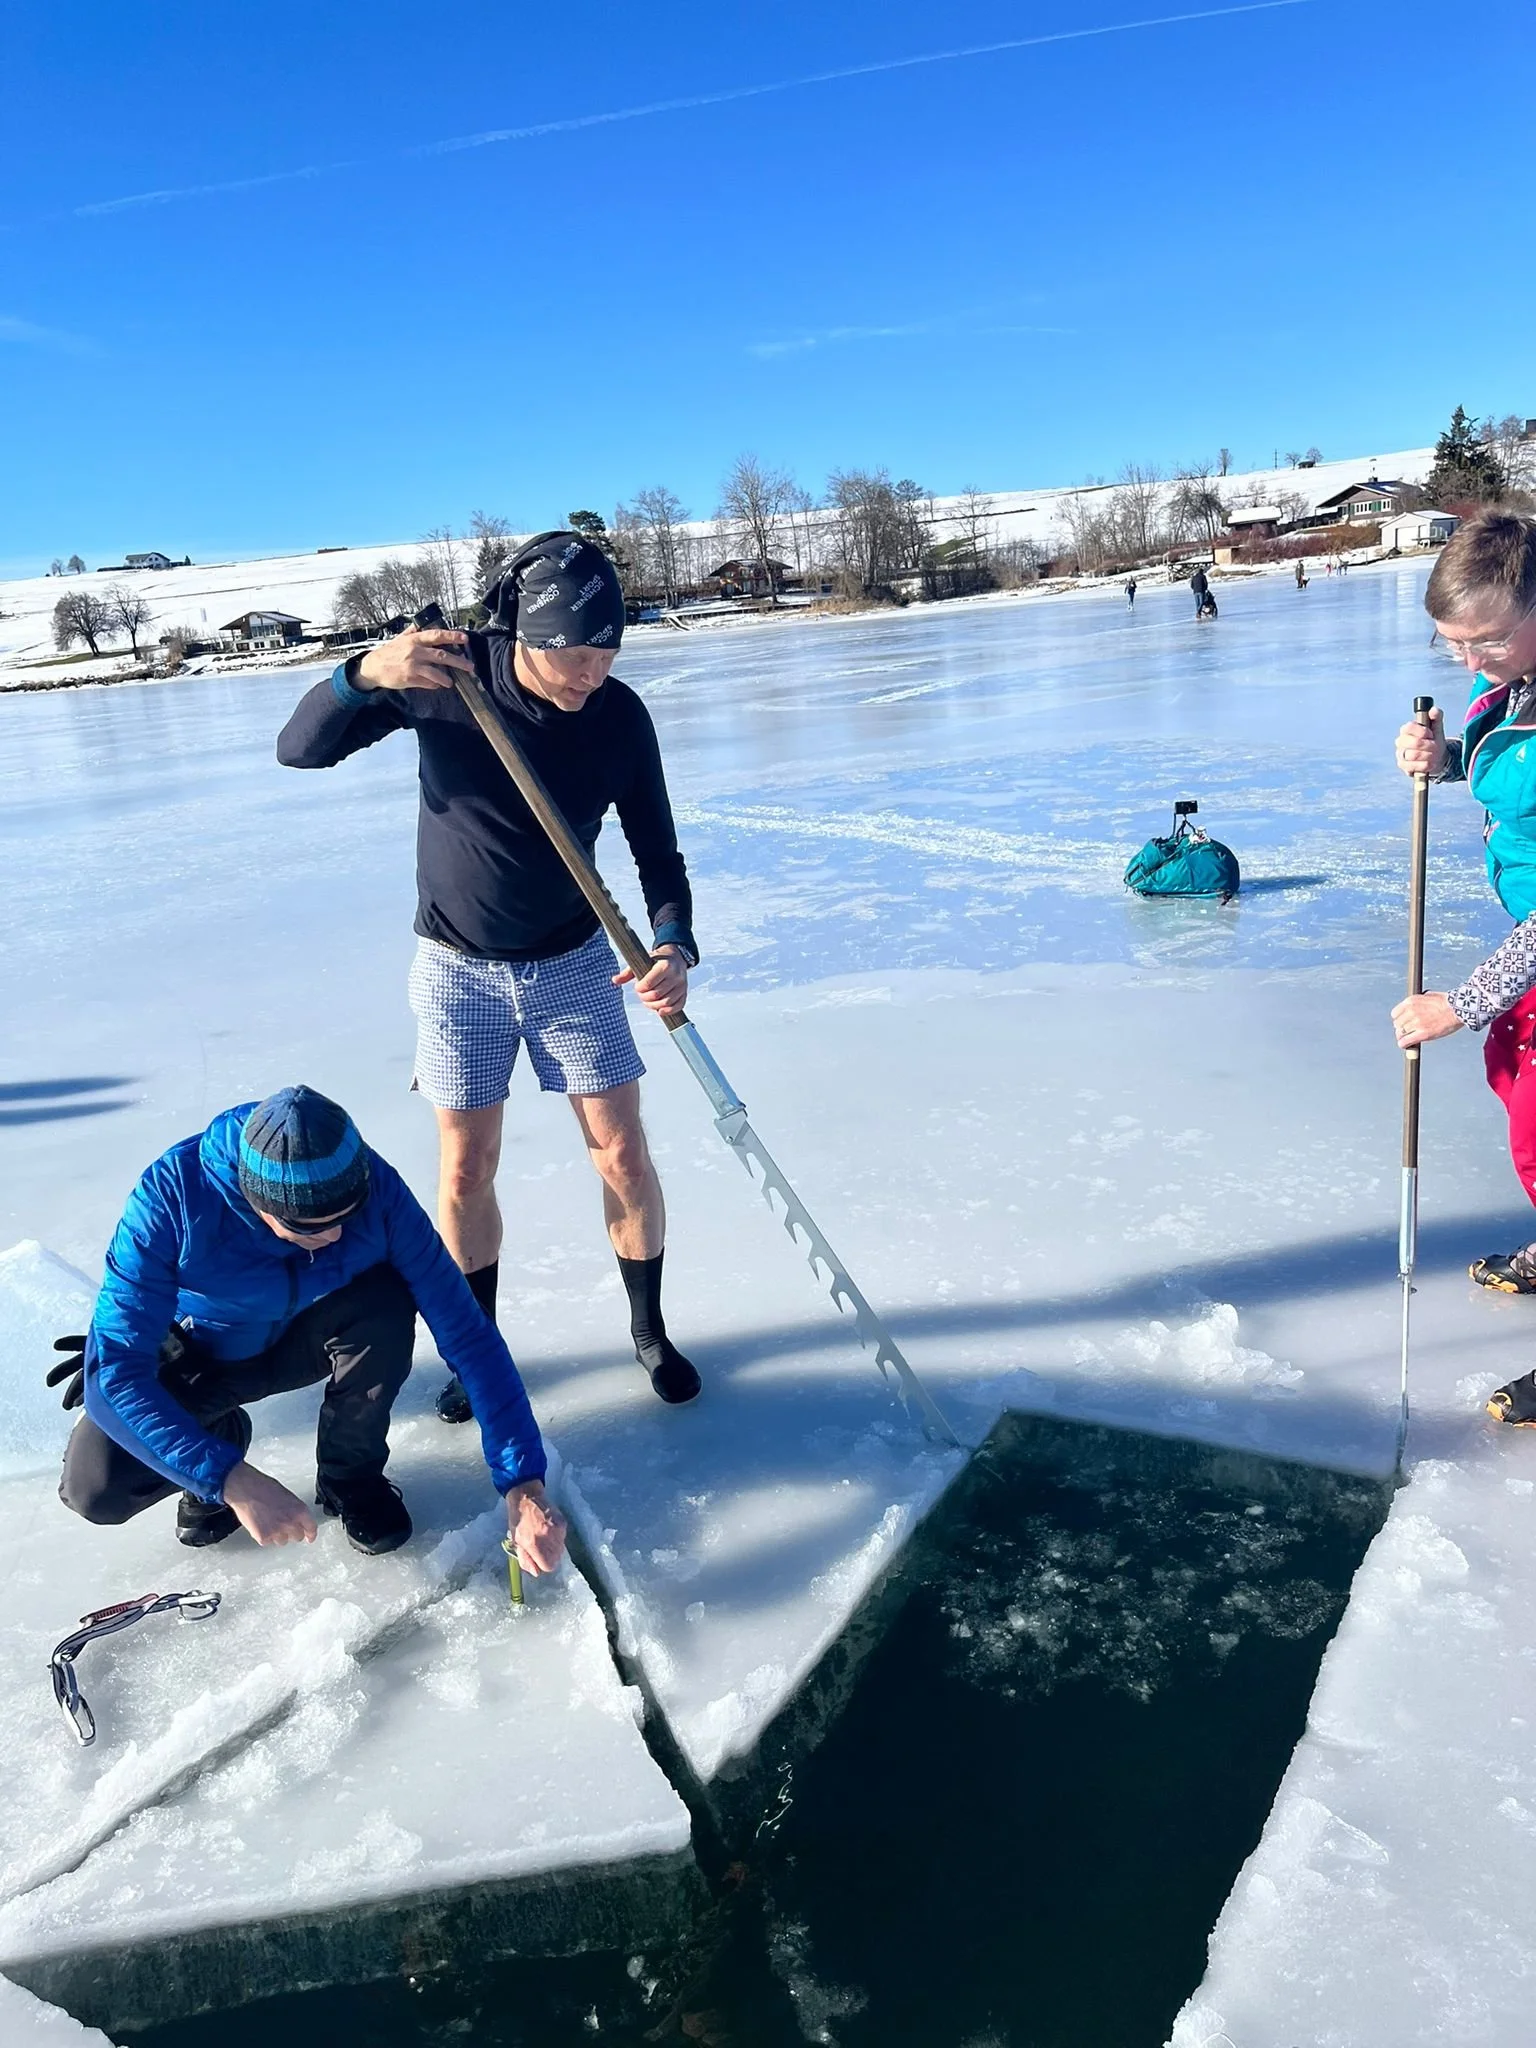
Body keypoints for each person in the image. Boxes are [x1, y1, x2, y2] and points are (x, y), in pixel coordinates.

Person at [277, 532, 702, 1421]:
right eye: (575, 655)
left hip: (576, 961)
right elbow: (299, 748)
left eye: (609, 652)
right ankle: (479, 1352)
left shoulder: (620, 717)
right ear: (524, 635)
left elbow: (657, 852)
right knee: (466, 1168)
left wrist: (672, 945)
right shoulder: (445, 677)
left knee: (622, 1152)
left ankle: (649, 1329)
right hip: (456, 970)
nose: (593, 674)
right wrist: (364, 674)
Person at [55, 1086, 568, 1568]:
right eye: (311, 1228)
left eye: (348, 1215)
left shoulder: (378, 1188)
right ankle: (216, 1435)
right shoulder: (170, 1198)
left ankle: (351, 1477)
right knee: (96, 1488)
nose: (337, 1235)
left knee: (385, 1298)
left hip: (307, 1338)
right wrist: (229, 1478)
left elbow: (469, 1335)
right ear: (258, 1203)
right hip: (204, 1355)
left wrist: (523, 1482)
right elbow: (115, 1375)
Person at [1392, 509, 1536, 1426]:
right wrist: (1443, 759)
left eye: (1488, 642)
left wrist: (1466, 1000)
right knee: (1520, 1086)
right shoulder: (1513, 681)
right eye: (1455, 645)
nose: (1472, 662)